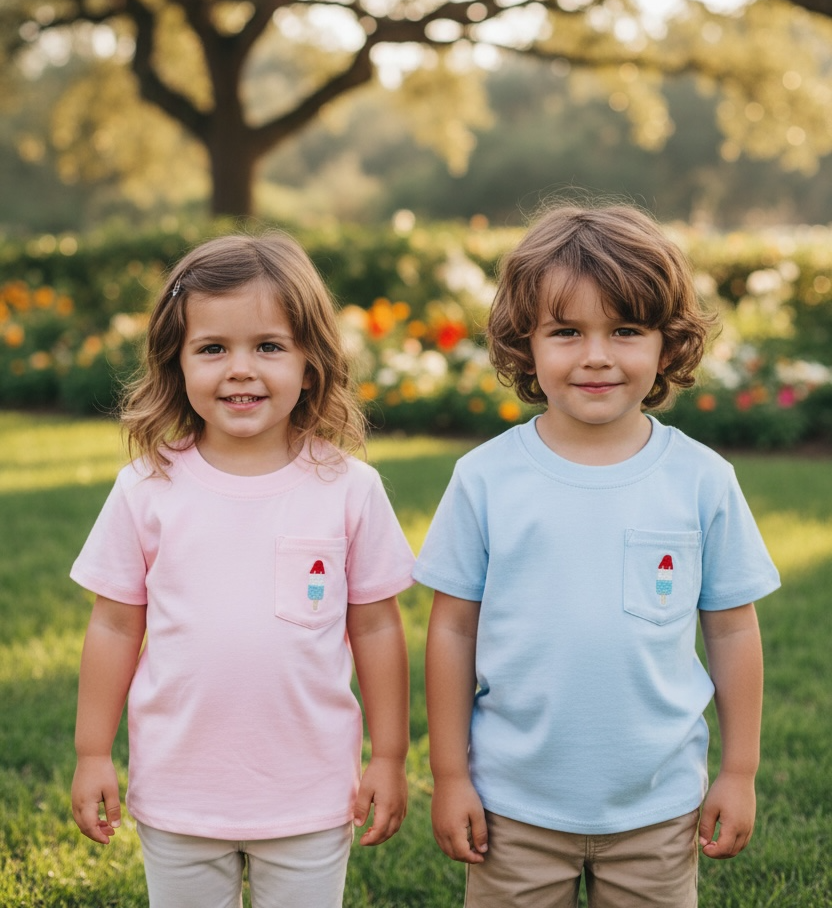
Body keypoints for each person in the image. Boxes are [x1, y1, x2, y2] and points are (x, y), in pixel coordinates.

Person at [413, 201, 780, 908]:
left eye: (626, 330)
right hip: (512, 804)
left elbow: (732, 629)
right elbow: (453, 628)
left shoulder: (702, 480)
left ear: (668, 345)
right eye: (566, 332)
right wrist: (451, 775)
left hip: (658, 805)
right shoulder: (486, 478)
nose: (597, 355)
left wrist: (740, 771)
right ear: (525, 345)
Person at [70, 232, 414, 908]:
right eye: (212, 348)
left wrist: (390, 756)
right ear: (177, 363)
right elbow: (113, 627)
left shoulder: (349, 489)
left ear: (311, 363)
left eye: (268, 346)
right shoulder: (145, 489)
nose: (240, 369)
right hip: (180, 788)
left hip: (311, 789)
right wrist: (91, 753)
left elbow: (375, 627)